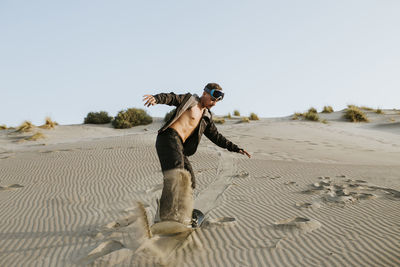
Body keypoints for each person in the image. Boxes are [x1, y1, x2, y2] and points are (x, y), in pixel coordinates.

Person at [143, 83, 251, 226]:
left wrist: (235, 148)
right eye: (213, 99)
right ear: (205, 93)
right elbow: (171, 97)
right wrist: (156, 98)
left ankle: (181, 212)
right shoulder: (189, 100)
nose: (214, 103)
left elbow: (216, 136)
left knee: (190, 181)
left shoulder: (206, 116)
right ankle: (165, 215)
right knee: (176, 175)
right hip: (168, 138)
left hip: (179, 147)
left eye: (217, 101)